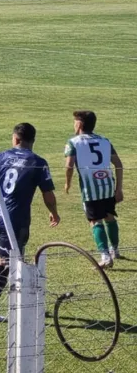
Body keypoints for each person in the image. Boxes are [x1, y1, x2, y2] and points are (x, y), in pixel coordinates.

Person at [0, 123, 59, 322]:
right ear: (33, 140)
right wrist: (54, 212)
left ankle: (22, 304)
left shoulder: (1, 156)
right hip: (15, 220)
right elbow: (48, 194)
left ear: (15, 139)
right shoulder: (38, 162)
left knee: (15, 260)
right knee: (6, 263)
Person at [65, 110, 125, 268]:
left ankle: (105, 256)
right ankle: (115, 250)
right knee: (109, 216)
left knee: (94, 220)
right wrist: (119, 189)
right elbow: (119, 164)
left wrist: (67, 183)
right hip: (107, 186)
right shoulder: (105, 141)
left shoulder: (73, 142)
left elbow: (69, 166)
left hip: (90, 190)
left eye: (74, 122)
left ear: (79, 124)